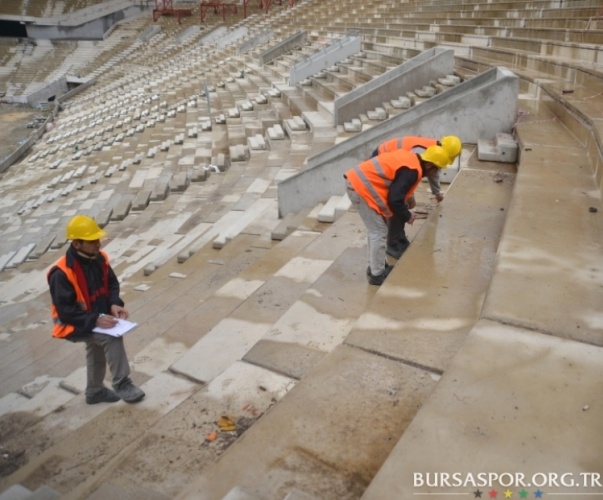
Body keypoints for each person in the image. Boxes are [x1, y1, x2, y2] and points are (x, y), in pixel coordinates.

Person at [47, 215, 145, 405]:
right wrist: (95, 320)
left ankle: (94, 391)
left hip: (95, 317)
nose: (98, 244)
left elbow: (112, 284)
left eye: (97, 239)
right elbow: (66, 311)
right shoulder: (61, 273)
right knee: (110, 337)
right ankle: (122, 383)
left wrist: (115, 303)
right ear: (76, 244)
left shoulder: (99, 258)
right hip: (73, 324)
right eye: (92, 241)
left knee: (96, 348)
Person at [345, 145, 450, 285]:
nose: (436, 173)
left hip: (357, 182)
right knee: (379, 231)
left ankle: (376, 267)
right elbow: (395, 200)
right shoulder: (412, 170)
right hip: (360, 187)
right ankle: (377, 275)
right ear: (430, 164)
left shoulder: (412, 160)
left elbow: (397, 189)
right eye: (437, 169)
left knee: (376, 230)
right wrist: (407, 216)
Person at [371, 135, 462, 258]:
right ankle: (393, 244)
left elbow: (433, 173)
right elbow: (406, 175)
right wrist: (409, 198)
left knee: (401, 202)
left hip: (392, 164)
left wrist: (437, 193)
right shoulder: (422, 151)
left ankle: (399, 237)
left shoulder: (433, 152)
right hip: (381, 161)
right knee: (397, 202)